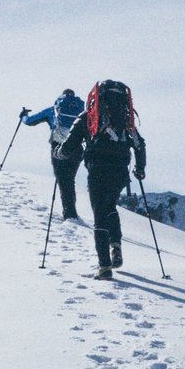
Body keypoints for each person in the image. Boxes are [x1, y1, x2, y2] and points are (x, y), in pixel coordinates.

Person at [58, 80, 146, 279]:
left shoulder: (90, 116)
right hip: (120, 171)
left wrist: (59, 154)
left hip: (97, 170)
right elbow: (140, 145)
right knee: (110, 207)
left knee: (99, 213)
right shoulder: (125, 119)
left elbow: (69, 144)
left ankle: (104, 266)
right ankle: (116, 244)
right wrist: (140, 169)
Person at [22, 89, 88, 221]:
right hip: (77, 148)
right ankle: (71, 211)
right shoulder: (81, 111)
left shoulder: (54, 110)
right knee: (69, 179)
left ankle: (70, 214)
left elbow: (30, 121)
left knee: (64, 180)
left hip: (58, 147)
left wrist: (23, 115)